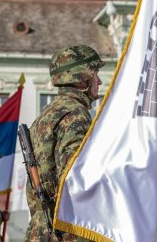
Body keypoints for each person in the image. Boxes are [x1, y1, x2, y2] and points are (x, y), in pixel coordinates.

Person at [25, 45, 104, 241]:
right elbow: (76, 179)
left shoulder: (47, 115)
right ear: (82, 78)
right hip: (66, 232)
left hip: (41, 230)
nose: (100, 81)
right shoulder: (75, 114)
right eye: (96, 74)